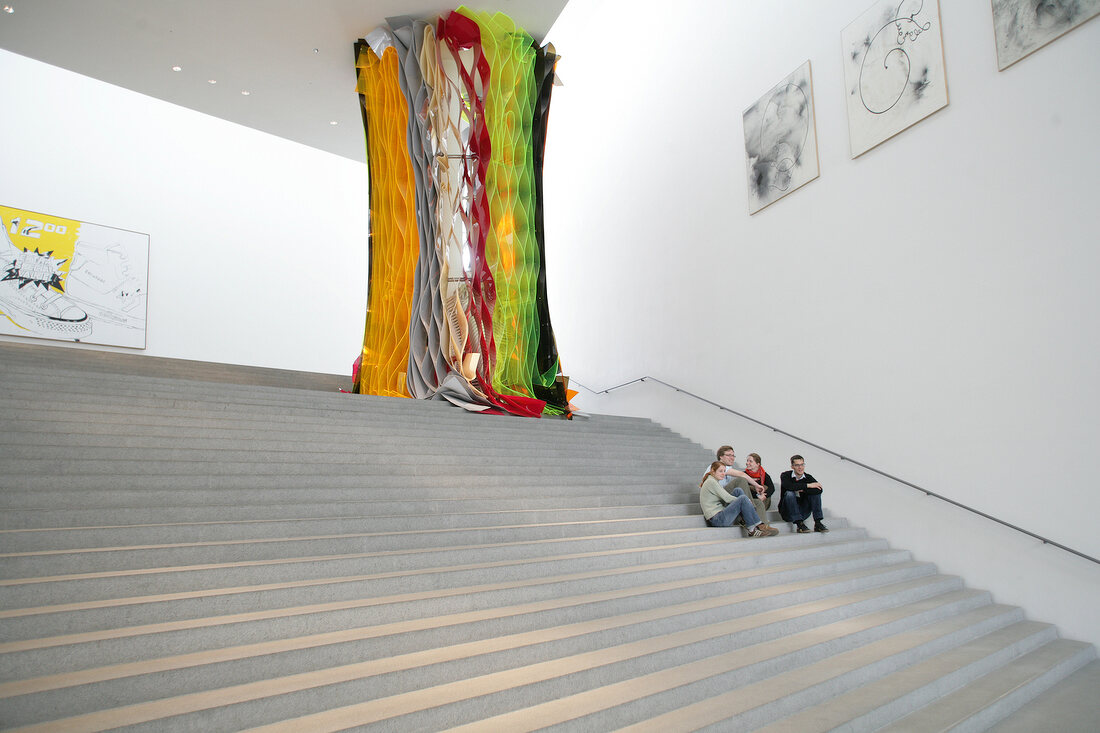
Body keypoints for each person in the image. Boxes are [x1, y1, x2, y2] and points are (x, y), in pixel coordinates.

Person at [699, 461, 778, 536]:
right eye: (720, 471)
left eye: (724, 471)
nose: (723, 474)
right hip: (717, 520)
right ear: (713, 471)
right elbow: (726, 498)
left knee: (738, 491)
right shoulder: (711, 482)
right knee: (743, 498)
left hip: (720, 515)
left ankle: (749, 521)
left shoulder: (713, 480)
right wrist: (746, 500)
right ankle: (754, 528)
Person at [716, 446, 773, 530]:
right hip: (719, 499)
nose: (732, 458)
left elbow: (772, 488)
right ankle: (750, 509)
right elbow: (742, 475)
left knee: (758, 502)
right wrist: (756, 485)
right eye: (729, 455)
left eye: (733, 455)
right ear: (721, 456)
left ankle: (763, 526)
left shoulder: (765, 475)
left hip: (727, 498)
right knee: (741, 480)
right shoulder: (716, 466)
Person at [779, 454, 828, 533]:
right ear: (792, 466)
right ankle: (799, 525)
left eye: (802, 464)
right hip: (788, 513)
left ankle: (818, 523)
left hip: (803, 512)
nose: (800, 467)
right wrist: (808, 485)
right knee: (789, 493)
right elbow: (788, 486)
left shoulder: (808, 477)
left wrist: (803, 490)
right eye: (797, 465)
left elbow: (819, 490)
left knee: (815, 494)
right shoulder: (785, 475)